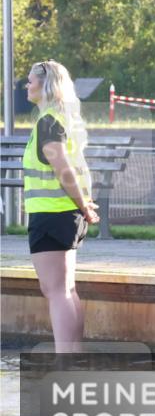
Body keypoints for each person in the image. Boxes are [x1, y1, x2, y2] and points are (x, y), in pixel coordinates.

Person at [22, 60, 100, 352]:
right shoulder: (63, 117)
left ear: (47, 85)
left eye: (31, 81)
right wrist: (82, 207)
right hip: (65, 214)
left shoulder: (49, 122)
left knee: (56, 291)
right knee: (66, 290)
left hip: (53, 214)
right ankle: (73, 357)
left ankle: (65, 361)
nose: (26, 85)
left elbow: (62, 168)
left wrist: (83, 206)